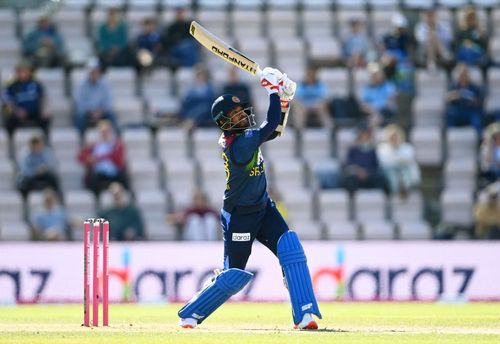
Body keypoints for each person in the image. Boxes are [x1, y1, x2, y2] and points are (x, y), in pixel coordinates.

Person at [177, 68, 321, 330]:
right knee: (233, 275)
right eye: (235, 114)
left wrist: (284, 99)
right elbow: (271, 124)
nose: (242, 114)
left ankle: (305, 315)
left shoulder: (244, 137)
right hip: (239, 215)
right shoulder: (238, 144)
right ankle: (191, 314)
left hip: (263, 208)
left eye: (241, 110)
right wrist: (273, 91)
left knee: (291, 249)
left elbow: (274, 130)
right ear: (224, 121)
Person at [77, 120, 128, 195]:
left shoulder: (116, 144)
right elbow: (80, 157)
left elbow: (119, 159)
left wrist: (99, 158)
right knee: (93, 179)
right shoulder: (94, 145)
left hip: (114, 172)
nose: (105, 133)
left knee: (124, 178)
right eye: (102, 131)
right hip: (99, 173)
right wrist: (89, 160)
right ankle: (95, 198)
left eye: (107, 131)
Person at [2, 62, 50, 138]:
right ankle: (11, 142)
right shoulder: (12, 86)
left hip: (35, 112)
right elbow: (7, 100)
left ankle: (46, 140)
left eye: (25, 71)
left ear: (29, 72)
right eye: (20, 72)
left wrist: (44, 110)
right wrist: (16, 110)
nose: (23, 74)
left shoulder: (36, 84)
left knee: (46, 119)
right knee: (9, 122)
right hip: (18, 113)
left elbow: (43, 97)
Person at [74, 58, 118, 136]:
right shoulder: (82, 85)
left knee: (112, 116)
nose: (94, 73)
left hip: (102, 113)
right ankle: (81, 142)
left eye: (95, 71)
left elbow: (109, 102)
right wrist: (91, 112)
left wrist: (100, 112)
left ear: (99, 71)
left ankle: (116, 143)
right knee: (79, 117)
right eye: (92, 71)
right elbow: (80, 103)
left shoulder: (105, 83)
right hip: (88, 114)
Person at [342, 125, 388, 194]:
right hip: (356, 176)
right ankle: (352, 202)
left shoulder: (373, 151)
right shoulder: (353, 149)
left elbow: (375, 165)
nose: (364, 136)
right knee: (350, 180)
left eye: (366, 134)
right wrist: (358, 171)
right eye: (362, 135)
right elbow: (348, 164)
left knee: (382, 179)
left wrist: (367, 173)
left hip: (370, 176)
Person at [377, 124, 420, 196]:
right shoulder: (382, 148)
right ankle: (396, 192)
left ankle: (406, 189)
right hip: (389, 171)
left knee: (406, 172)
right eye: (392, 137)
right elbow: (384, 162)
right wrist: (399, 161)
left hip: (404, 170)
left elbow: (409, 161)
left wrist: (397, 161)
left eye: (396, 136)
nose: (394, 139)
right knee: (393, 175)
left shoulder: (407, 147)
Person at [17, 134, 60, 198]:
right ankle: (24, 200)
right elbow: (24, 169)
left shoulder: (47, 152)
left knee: (54, 179)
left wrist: (44, 169)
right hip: (31, 176)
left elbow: (52, 164)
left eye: (38, 145)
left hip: (44, 174)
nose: (37, 147)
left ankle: (56, 198)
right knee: (23, 183)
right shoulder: (25, 154)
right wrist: (35, 171)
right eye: (35, 146)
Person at [445, 64, 483, 134]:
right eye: (461, 75)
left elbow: (479, 101)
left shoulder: (474, 87)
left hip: (470, 110)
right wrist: (454, 96)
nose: (463, 77)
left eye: (465, 74)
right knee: (450, 114)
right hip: (457, 110)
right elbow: (448, 99)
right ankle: (447, 138)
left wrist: (473, 101)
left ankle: (479, 139)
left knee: (476, 119)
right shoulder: (453, 87)